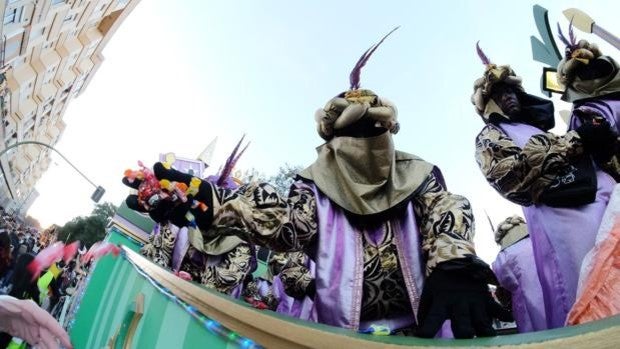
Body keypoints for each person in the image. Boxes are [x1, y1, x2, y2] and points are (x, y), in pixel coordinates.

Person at [126, 30, 510, 338]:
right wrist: (217, 205)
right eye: (354, 137)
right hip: (341, 336)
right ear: (331, 145)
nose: (367, 151)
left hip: (427, 327)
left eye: (375, 135)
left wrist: (455, 261)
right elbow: (284, 221)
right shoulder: (312, 189)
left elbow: (448, 207)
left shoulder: (418, 175)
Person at [472, 42, 618, 328]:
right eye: (501, 95)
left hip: (605, 204)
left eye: (512, 91)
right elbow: (509, 176)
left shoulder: (544, 131)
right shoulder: (490, 136)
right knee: (588, 288)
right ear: (490, 103)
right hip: (565, 221)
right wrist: (578, 141)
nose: (510, 97)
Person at [491, 216, 546, 332]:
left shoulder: (502, 258)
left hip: (527, 309)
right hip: (558, 299)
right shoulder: (542, 241)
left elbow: (502, 286)